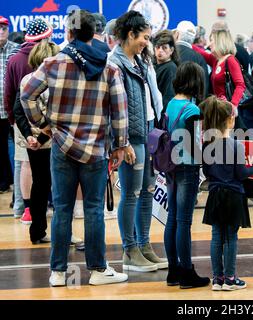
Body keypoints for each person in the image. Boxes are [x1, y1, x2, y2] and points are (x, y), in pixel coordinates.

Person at [21, 9, 129, 286]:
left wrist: (44, 125)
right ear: (93, 33)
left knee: (62, 209)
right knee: (94, 209)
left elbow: (26, 94)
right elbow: (120, 111)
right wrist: (120, 146)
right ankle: (97, 270)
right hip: (95, 148)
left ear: (68, 33)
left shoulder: (52, 63)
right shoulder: (108, 68)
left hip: (61, 145)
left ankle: (58, 272)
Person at [109, 10, 166, 272]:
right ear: (130, 34)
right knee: (131, 194)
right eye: (144, 37)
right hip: (131, 136)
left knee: (146, 192)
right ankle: (129, 251)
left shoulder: (139, 61)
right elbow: (111, 107)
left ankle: (144, 246)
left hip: (147, 130)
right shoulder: (114, 63)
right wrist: (122, 142)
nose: (147, 41)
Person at [200, 96, 253, 291]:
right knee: (231, 237)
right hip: (233, 194)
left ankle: (217, 278)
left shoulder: (207, 144)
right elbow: (241, 174)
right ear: (230, 120)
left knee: (216, 236)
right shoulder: (236, 145)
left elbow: (206, 172)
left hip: (215, 194)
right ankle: (230, 278)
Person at [164, 62, 210, 289]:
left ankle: (173, 271)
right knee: (184, 221)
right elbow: (196, 144)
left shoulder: (171, 103)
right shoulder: (193, 110)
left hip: (171, 165)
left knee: (172, 218)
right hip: (187, 167)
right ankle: (186, 271)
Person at [14, 39, 59, 244]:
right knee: (56, 186)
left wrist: (31, 137)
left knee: (40, 185)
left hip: (35, 142)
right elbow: (55, 116)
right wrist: (38, 138)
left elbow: (18, 111)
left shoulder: (26, 80)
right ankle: (58, 230)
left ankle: (38, 230)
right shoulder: (57, 82)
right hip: (51, 140)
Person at [0, 16, 19, 194]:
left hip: (12, 109)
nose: (0, 32)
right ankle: (4, 181)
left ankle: (16, 186)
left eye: (4, 28)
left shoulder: (16, 50)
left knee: (15, 149)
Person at [175, 20, 209, 98]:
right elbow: (204, 87)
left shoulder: (168, 54)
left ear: (177, 34)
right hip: (191, 104)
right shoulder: (199, 58)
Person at [153, 30, 179, 113]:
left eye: (164, 48)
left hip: (161, 115)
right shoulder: (153, 66)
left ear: (171, 50)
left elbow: (169, 96)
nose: (160, 50)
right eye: (158, 47)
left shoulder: (170, 68)